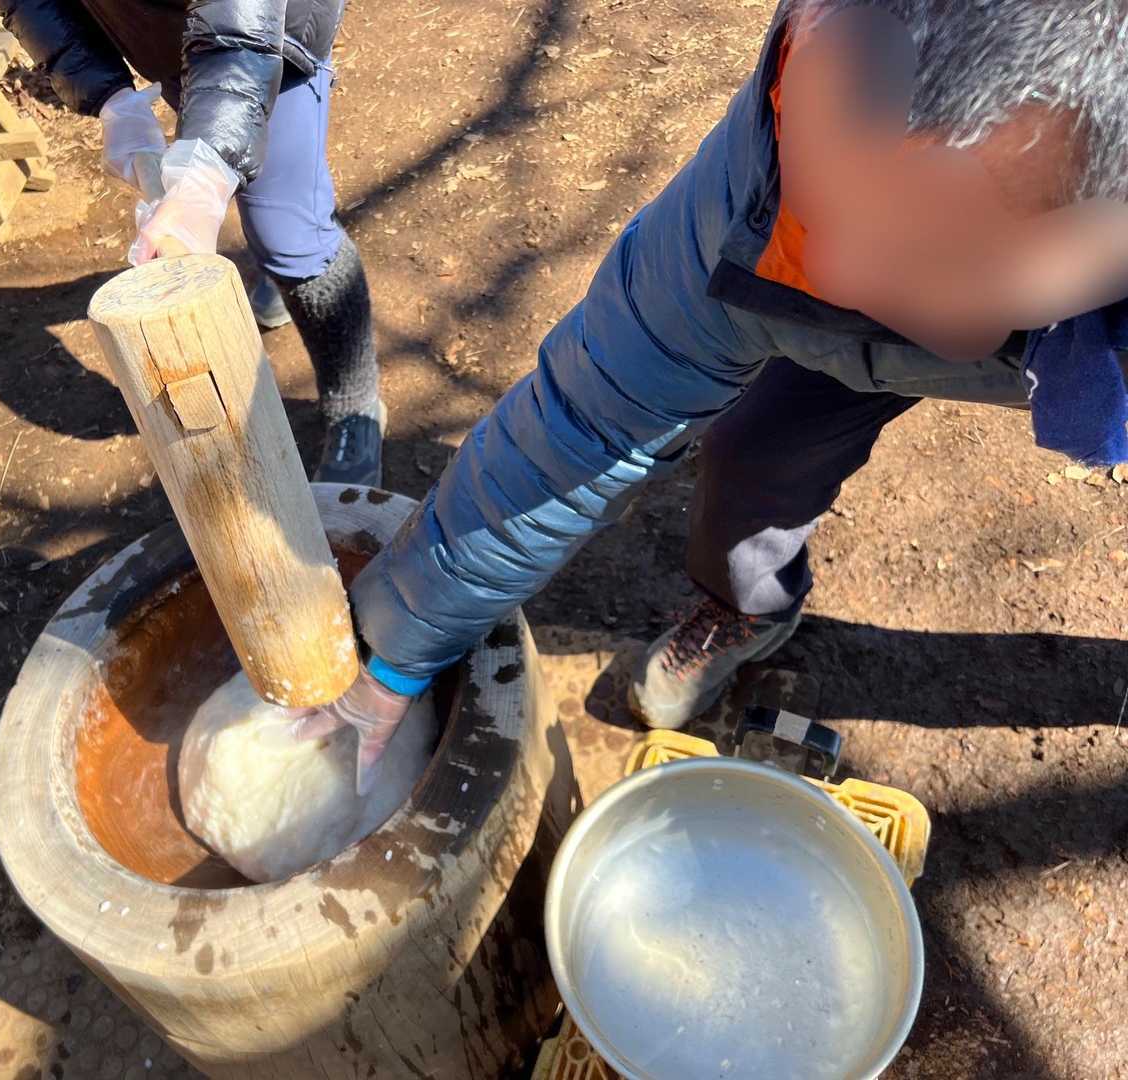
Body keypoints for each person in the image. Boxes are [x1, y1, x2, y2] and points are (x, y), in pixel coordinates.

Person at [292, 0, 1128, 792]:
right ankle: (745, 607)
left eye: (932, 254)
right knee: (754, 452)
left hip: (1085, 351)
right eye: (813, 198)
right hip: (882, 327)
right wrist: (400, 652)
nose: (830, 275)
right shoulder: (757, 194)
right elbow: (580, 427)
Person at [0, 0, 387, 485]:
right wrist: (110, 98)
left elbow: (240, 31)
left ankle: (355, 405)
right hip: (178, 40)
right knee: (226, 157)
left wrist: (206, 175)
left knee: (289, 237)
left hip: (275, 39)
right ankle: (278, 275)